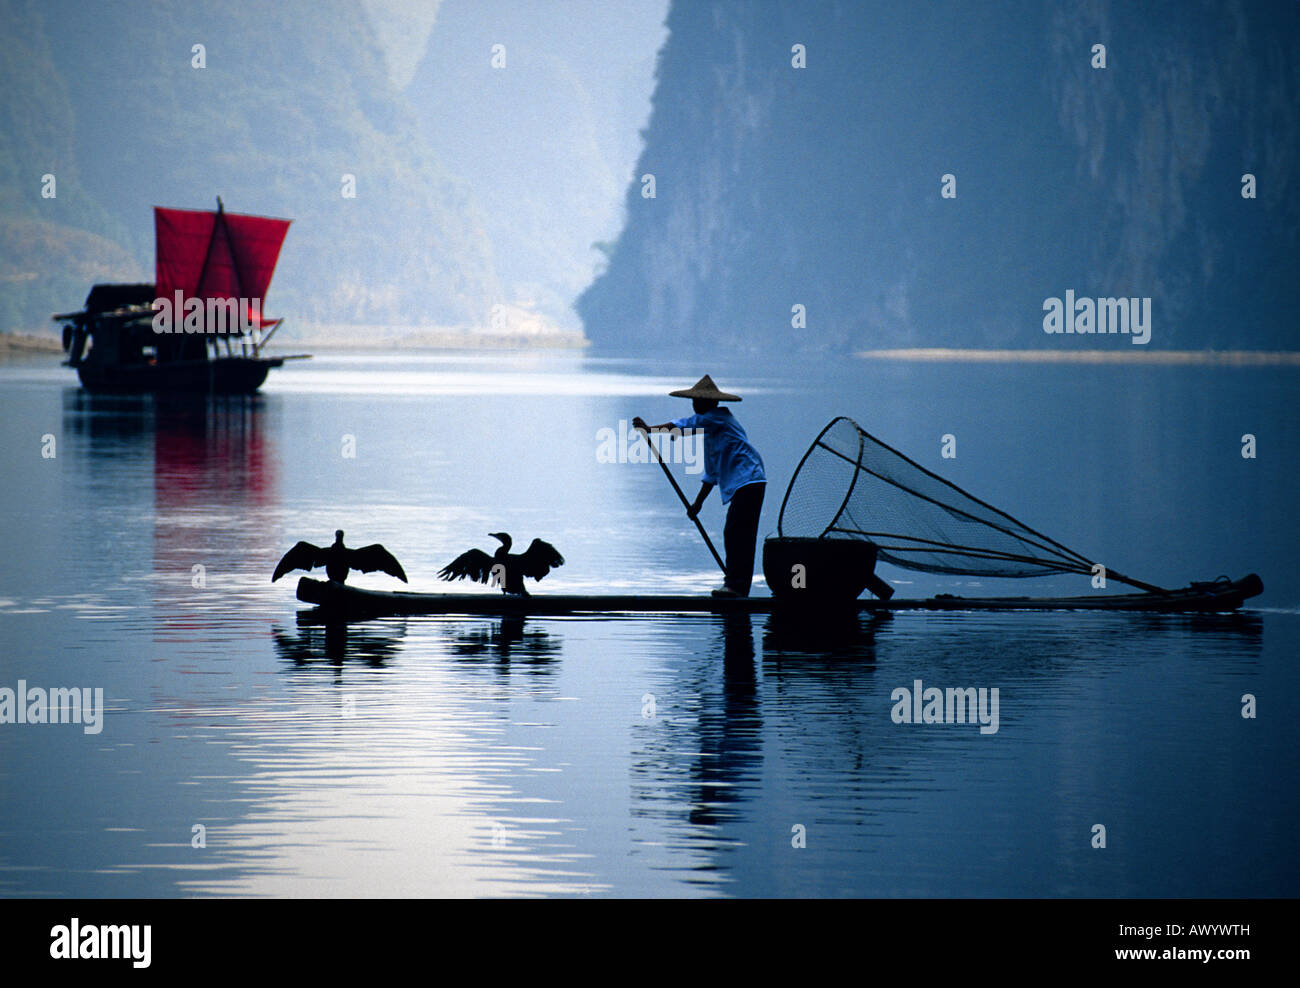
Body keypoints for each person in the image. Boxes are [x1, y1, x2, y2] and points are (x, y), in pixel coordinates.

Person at [633, 375, 766, 597]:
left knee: (737, 532)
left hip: (750, 479)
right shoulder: (712, 431)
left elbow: (685, 425)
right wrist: (698, 503)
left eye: (698, 402)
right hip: (747, 482)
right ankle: (736, 583)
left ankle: (736, 585)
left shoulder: (719, 417)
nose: (694, 405)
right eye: (694, 401)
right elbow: (712, 473)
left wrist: (650, 429)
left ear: (709, 404)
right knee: (736, 532)